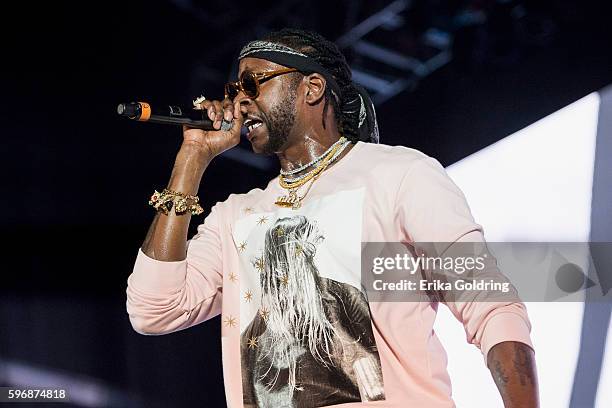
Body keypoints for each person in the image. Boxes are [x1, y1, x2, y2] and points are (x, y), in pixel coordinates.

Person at [126, 28, 539, 407]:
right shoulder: (236, 215)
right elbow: (153, 310)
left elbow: (490, 303)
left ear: (312, 87)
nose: (239, 101)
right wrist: (191, 160)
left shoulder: (398, 174)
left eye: (252, 84)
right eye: (235, 90)